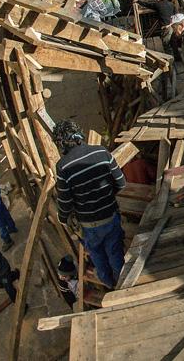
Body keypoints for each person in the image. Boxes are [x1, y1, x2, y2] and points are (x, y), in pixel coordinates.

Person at [53, 119, 127, 289]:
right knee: (115, 253)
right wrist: (106, 197)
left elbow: (65, 202)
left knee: (98, 257)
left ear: (60, 143)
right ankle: (122, 286)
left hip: (89, 226)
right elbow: (122, 183)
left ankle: (109, 285)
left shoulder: (62, 167)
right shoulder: (102, 152)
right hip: (110, 218)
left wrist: (64, 219)